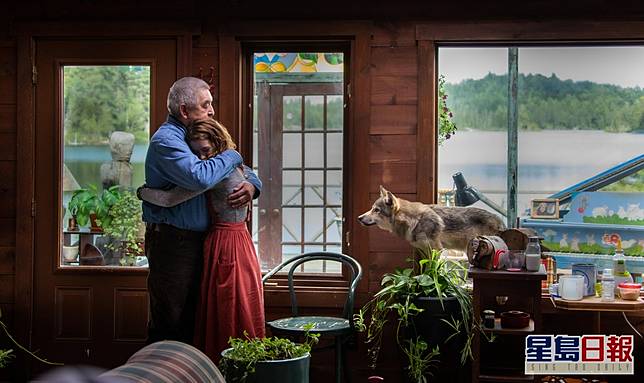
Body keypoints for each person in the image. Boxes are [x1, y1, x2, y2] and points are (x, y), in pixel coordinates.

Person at [142, 77, 261, 346]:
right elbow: (200, 177)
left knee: (195, 321)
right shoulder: (166, 141)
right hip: (173, 242)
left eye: (211, 104)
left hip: (205, 241)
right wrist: (233, 155)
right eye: (206, 104)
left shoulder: (193, 133)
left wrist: (253, 184)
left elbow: (228, 169)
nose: (212, 110)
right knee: (170, 322)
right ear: (184, 110)